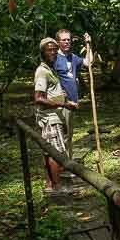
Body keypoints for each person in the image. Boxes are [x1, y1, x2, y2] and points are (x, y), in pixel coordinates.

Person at [34, 37, 78, 192]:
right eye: (49, 50)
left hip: (53, 115)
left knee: (49, 151)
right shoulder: (42, 71)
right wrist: (64, 104)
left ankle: (50, 184)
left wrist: (61, 94)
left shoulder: (50, 69)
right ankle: (58, 187)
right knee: (56, 153)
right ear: (42, 52)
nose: (53, 52)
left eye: (54, 49)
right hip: (50, 117)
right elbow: (39, 98)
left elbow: (50, 92)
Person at [53, 29, 93, 155]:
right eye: (63, 40)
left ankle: (69, 163)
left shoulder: (72, 57)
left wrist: (88, 45)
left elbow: (89, 62)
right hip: (62, 103)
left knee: (69, 134)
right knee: (62, 135)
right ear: (58, 42)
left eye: (68, 40)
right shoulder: (54, 58)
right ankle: (63, 165)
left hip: (72, 103)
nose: (66, 42)